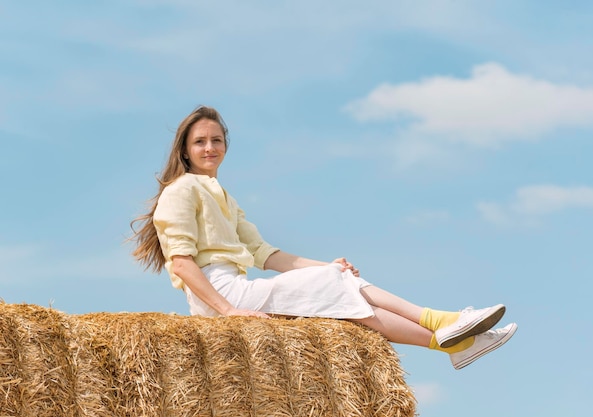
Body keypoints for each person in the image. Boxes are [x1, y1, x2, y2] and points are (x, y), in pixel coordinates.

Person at [131, 105, 517, 370]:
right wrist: (228, 311)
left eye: (216, 140)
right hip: (217, 295)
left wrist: (329, 266)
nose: (210, 148)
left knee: (343, 288)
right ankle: (445, 323)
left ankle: (455, 342)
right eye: (200, 141)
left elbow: (268, 255)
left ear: (226, 145)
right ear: (185, 148)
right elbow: (181, 262)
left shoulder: (226, 199)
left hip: (235, 288)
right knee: (340, 285)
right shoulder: (181, 191)